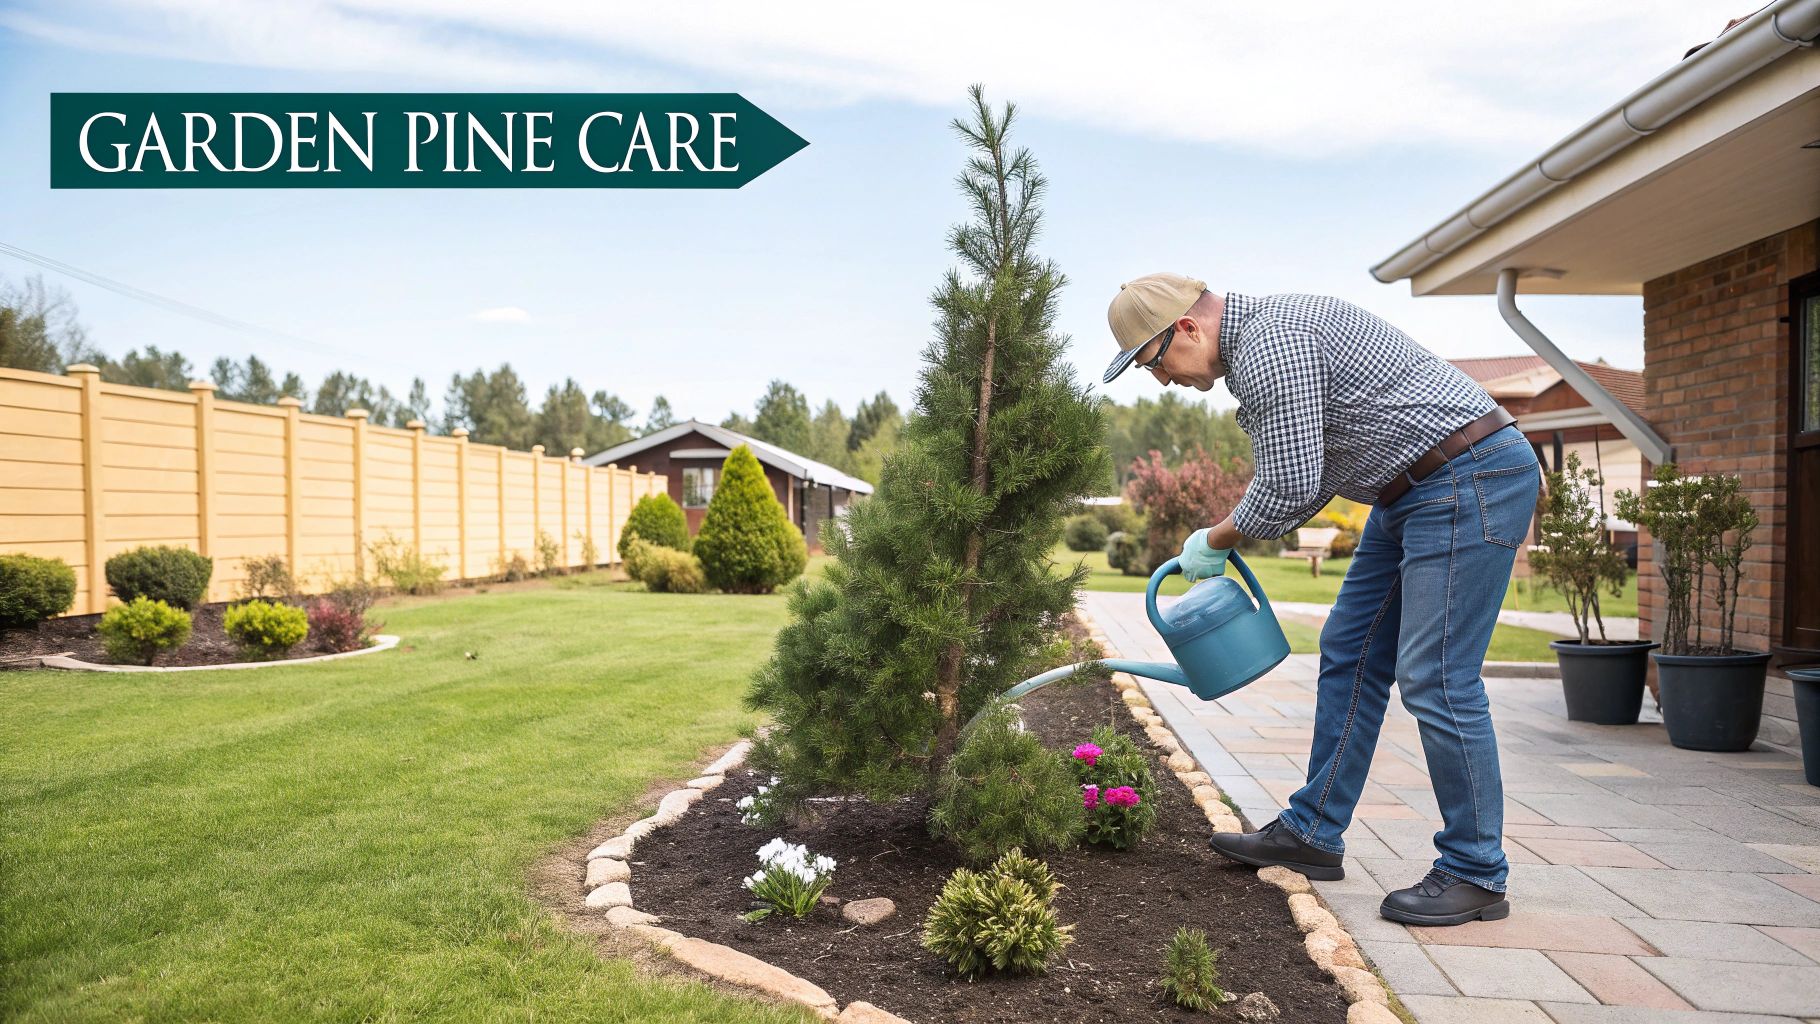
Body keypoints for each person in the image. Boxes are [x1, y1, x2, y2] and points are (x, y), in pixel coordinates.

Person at [1103, 273, 1540, 926]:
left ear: (1187, 329)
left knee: (1438, 678)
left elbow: (1288, 485)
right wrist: (1228, 532)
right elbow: (1308, 477)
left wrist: (1217, 536)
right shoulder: (1262, 344)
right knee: (1348, 649)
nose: (1161, 380)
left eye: (1154, 361)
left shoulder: (1270, 347)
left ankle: (1475, 870)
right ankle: (1312, 831)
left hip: (1467, 475)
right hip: (1410, 490)